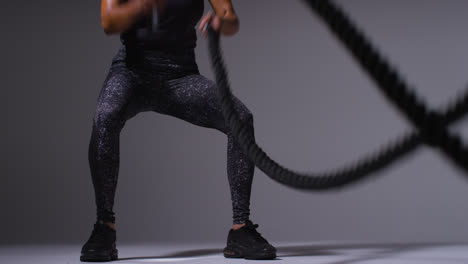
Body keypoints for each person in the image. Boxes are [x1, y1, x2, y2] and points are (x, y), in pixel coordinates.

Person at [80, 0, 277, 261]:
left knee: (240, 118)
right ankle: (104, 227)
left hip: (181, 76)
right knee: (105, 116)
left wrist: (222, 23)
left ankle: (240, 230)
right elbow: (109, 22)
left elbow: (230, 18)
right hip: (132, 72)